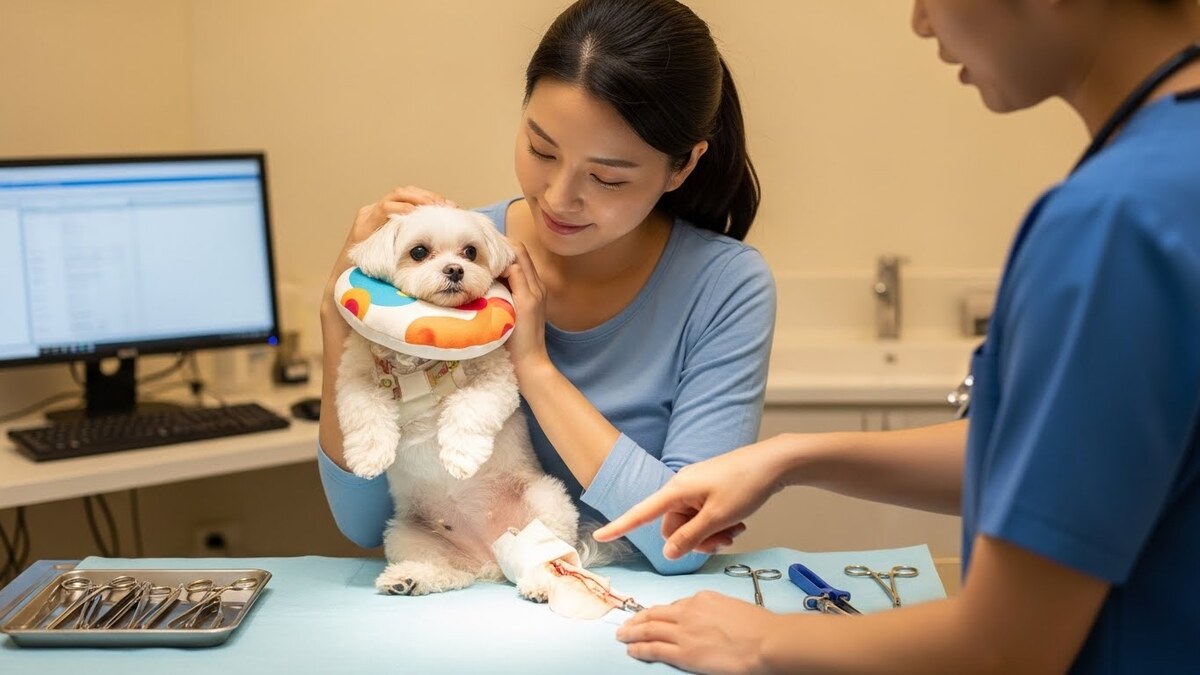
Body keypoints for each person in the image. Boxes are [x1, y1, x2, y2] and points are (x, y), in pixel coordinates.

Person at [594, 0, 1200, 672]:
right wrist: (794, 456)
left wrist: (761, 641)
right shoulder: (1171, 176)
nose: (919, 21)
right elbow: (1069, 460)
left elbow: (1007, 644)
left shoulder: (1116, 223)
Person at [316, 0, 775, 575]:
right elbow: (362, 524)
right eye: (541, 149)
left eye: (607, 177)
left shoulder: (725, 286)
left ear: (682, 168)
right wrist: (341, 311)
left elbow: (682, 539)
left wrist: (533, 365)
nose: (559, 197)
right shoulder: (448, 262)